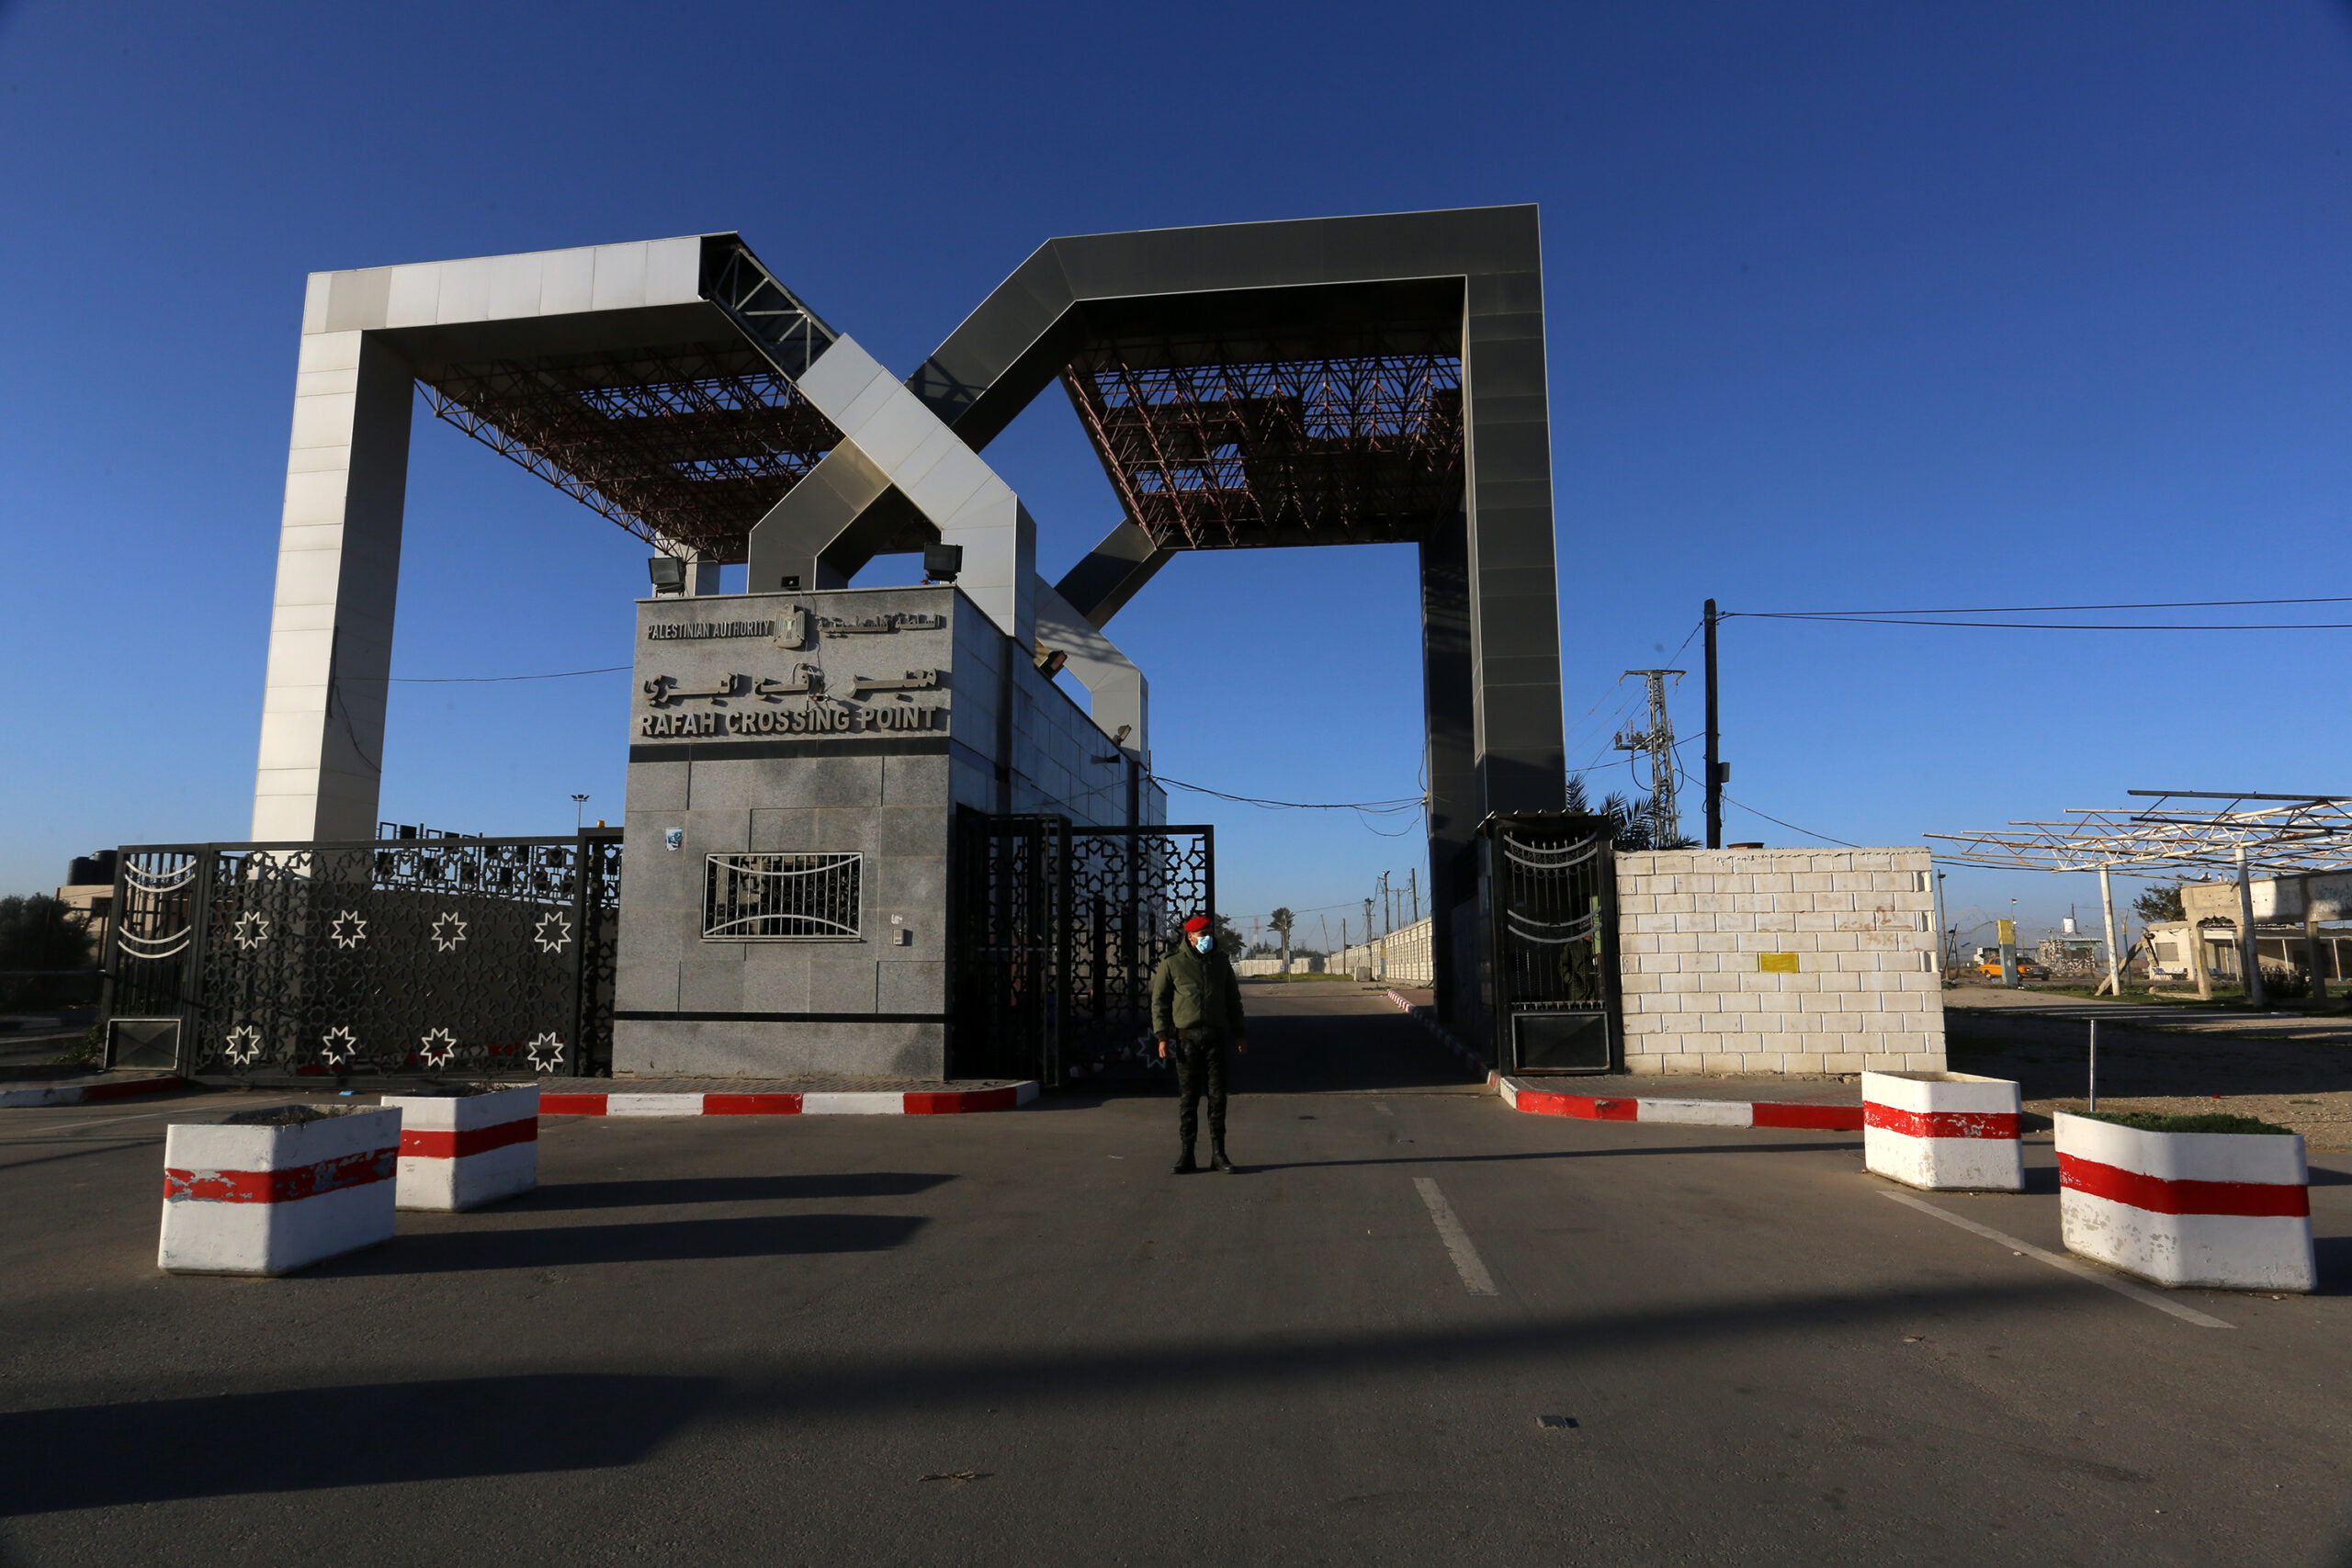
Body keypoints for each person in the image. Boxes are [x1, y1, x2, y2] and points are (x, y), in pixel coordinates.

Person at [1150, 912, 1248, 1174]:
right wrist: (1162, 1036)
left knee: (1218, 1098)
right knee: (1188, 1099)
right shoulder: (1172, 963)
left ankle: (1218, 1154)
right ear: (1190, 937)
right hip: (1187, 1041)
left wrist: (1240, 1034)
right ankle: (1187, 1154)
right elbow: (1160, 1001)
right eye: (1203, 935)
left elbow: (1233, 1001)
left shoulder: (1220, 962)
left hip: (1215, 1039)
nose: (1208, 938)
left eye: (1210, 934)